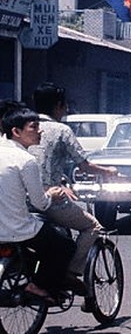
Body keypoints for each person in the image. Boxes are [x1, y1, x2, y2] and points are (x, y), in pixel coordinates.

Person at [29, 83, 118, 282]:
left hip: (18, 198)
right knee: (93, 226)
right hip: (48, 198)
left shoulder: (23, 126)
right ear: (59, 106)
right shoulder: (61, 130)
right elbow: (84, 165)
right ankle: (70, 273)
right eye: (65, 105)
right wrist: (108, 171)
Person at [0, 104, 76, 299]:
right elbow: (41, 204)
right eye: (33, 127)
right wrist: (52, 193)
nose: (40, 131)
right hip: (16, 229)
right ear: (16, 131)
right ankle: (38, 285)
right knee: (65, 245)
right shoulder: (26, 160)